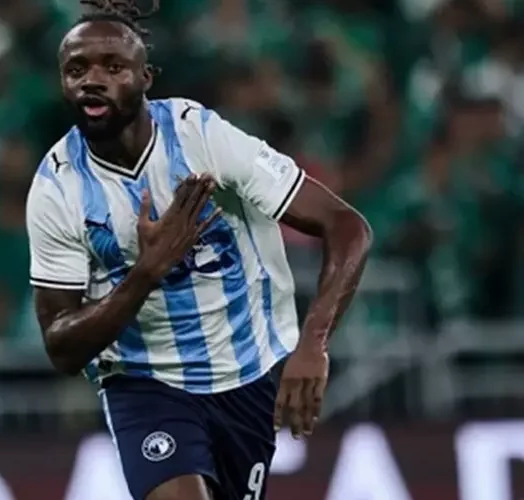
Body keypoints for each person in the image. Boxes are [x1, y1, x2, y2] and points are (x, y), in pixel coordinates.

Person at [25, 1, 373, 499]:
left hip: (247, 372)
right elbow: (60, 345)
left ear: (146, 78)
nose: (92, 81)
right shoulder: (56, 188)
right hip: (145, 383)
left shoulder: (201, 137)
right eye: (76, 70)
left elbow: (347, 226)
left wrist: (314, 343)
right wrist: (145, 273)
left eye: (113, 67)